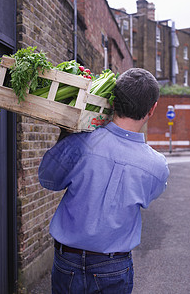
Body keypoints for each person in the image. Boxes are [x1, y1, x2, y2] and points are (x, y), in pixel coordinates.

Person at [38, 68, 170, 294]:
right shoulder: (157, 167)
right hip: (114, 267)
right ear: (152, 109)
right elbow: (147, 197)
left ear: (113, 100)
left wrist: (65, 134)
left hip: (66, 260)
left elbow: (48, 179)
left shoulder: (80, 142)